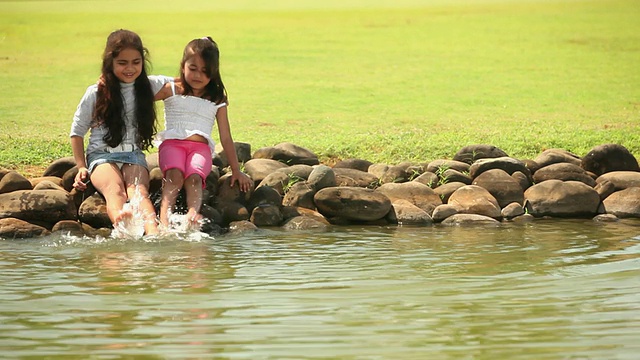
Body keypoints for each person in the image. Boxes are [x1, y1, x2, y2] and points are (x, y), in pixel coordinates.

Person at [70, 29, 172, 236]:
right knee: (114, 190)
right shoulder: (96, 92)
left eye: (136, 62)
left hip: (133, 155)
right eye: (122, 63)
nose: (130, 68)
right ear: (110, 62)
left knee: (139, 192)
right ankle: (120, 221)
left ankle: (154, 233)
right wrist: (81, 166)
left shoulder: (147, 85)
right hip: (102, 156)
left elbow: (185, 81)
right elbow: (77, 131)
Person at [154, 36, 252, 229]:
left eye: (205, 71)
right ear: (183, 66)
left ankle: (192, 214)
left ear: (214, 73)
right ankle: (164, 221)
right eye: (193, 69)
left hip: (200, 149)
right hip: (172, 144)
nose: (198, 75)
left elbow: (225, 136)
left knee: (194, 178)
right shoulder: (171, 89)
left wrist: (235, 170)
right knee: (174, 175)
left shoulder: (216, 98)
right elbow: (138, 99)